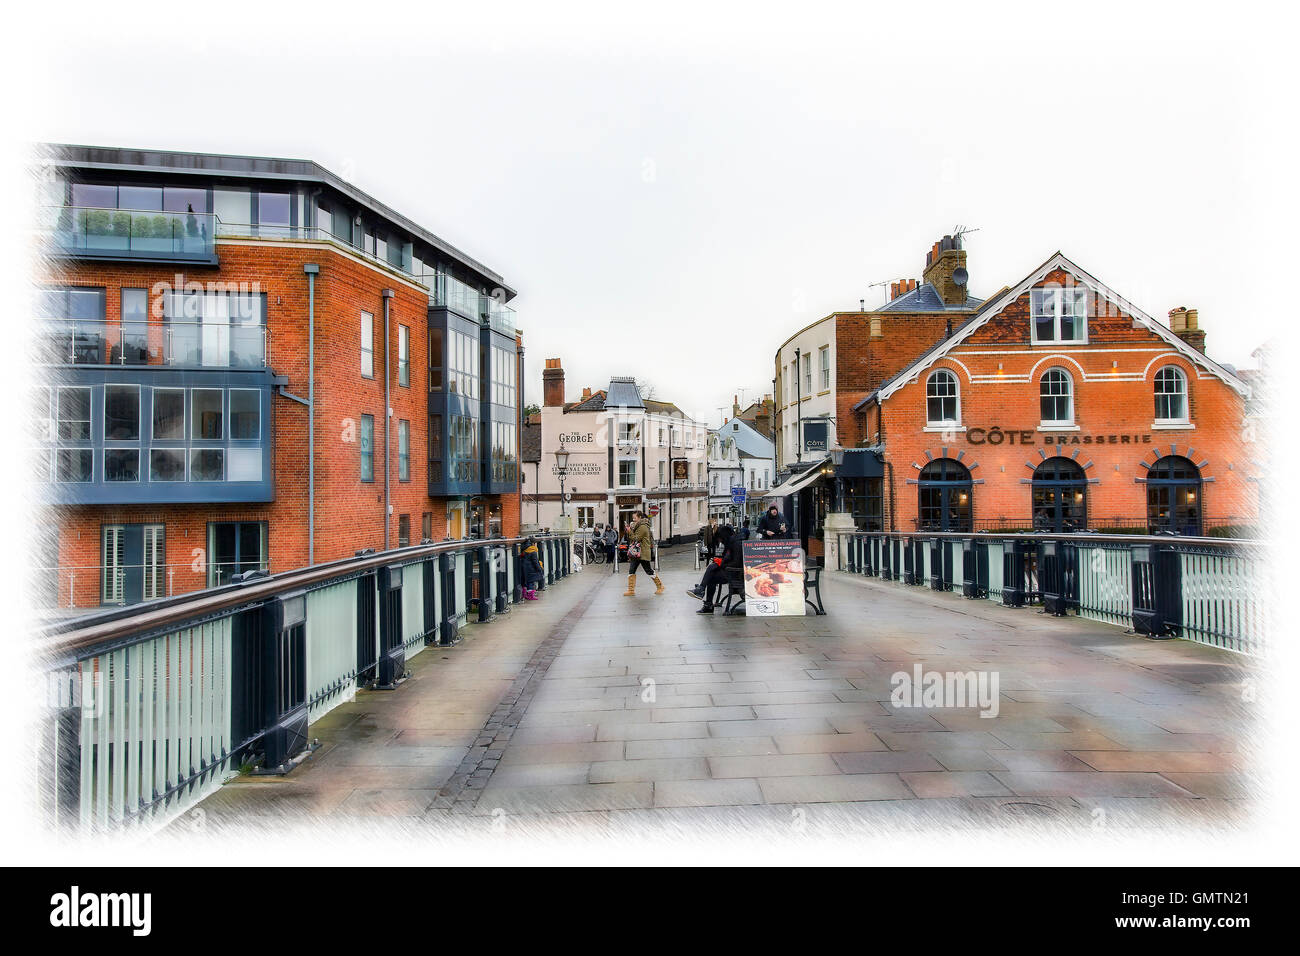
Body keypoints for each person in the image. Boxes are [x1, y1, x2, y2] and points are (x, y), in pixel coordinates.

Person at [690, 525, 744, 613]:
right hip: (729, 571)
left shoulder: (736, 544)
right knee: (712, 569)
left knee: (711, 575)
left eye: (720, 539)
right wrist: (720, 561)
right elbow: (728, 559)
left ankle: (703, 595)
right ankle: (702, 592)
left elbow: (737, 563)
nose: (720, 541)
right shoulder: (731, 542)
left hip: (735, 574)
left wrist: (721, 564)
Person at [623, 511, 665, 597]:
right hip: (636, 553)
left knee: (648, 570)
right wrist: (629, 530)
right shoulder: (637, 526)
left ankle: (660, 586)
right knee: (631, 570)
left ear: (640, 517)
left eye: (635, 518)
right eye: (633, 518)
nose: (633, 520)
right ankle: (631, 590)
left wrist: (629, 531)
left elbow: (636, 538)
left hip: (643, 553)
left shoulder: (643, 527)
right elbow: (633, 537)